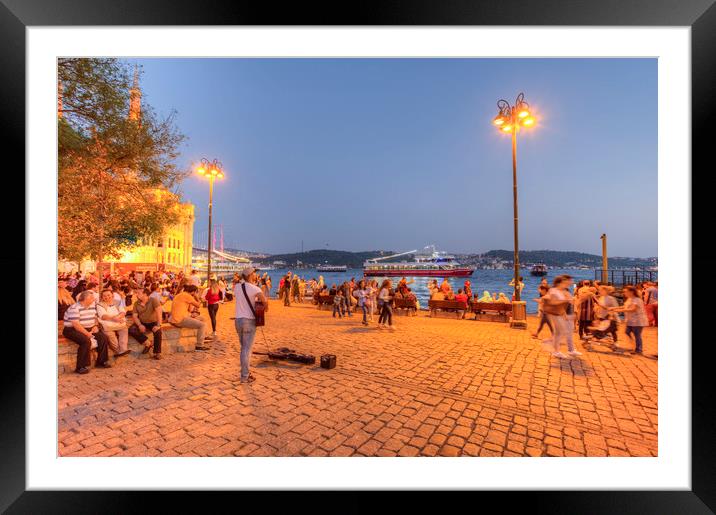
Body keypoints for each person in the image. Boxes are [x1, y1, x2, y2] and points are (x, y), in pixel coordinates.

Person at [233, 266, 269, 384]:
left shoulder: (237, 287)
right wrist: (265, 308)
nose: (255, 275)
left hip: (238, 320)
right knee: (246, 350)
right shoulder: (254, 288)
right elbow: (265, 302)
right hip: (249, 321)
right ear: (249, 275)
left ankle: (245, 372)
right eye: (254, 273)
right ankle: (245, 376)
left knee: (244, 348)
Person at [62, 290, 112, 374]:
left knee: (103, 337)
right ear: (85, 299)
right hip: (72, 330)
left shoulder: (92, 306)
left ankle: (101, 362)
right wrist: (87, 334)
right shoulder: (74, 308)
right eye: (91, 298)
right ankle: (81, 367)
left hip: (89, 328)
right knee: (85, 341)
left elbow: (95, 318)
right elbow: (76, 325)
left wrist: (95, 326)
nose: (93, 299)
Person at [542, 275, 581, 358]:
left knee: (560, 332)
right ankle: (553, 348)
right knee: (561, 332)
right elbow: (553, 303)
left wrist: (565, 314)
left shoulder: (562, 291)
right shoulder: (553, 290)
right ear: (560, 282)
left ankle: (556, 350)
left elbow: (562, 306)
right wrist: (565, 300)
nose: (568, 284)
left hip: (559, 314)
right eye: (566, 282)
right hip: (554, 314)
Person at [169, 284, 210, 351]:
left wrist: (192, 314)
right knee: (202, 325)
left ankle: (204, 336)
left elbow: (190, 310)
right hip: (180, 319)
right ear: (193, 292)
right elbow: (198, 305)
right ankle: (199, 346)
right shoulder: (187, 296)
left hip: (175, 318)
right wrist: (197, 297)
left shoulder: (181, 294)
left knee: (202, 318)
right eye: (196, 292)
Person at [610, 285, 648, 354]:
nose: (624, 293)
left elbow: (633, 309)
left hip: (638, 321)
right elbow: (625, 306)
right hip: (631, 320)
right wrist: (615, 308)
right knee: (627, 332)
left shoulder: (637, 300)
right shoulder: (630, 299)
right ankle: (634, 346)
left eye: (626, 292)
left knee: (637, 335)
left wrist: (618, 311)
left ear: (631, 292)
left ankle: (639, 350)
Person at [128, 288, 164, 358]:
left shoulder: (153, 300)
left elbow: (159, 313)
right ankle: (148, 343)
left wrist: (158, 325)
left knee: (158, 332)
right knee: (131, 330)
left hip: (153, 322)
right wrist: (140, 325)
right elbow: (135, 316)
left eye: (138, 293)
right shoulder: (136, 303)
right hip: (142, 322)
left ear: (145, 294)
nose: (136, 295)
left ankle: (157, 353)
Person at [97, 289, 130, 357]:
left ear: (112, 295)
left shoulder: (117, 302)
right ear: (102, 297)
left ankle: (123, 349)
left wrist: (119, 317)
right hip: (107, 323)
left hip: (118, 321)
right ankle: (118, 351)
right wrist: (114, 318)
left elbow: (123, 312)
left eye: (108, 295)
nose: (107, 297)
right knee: (110, 335)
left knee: (124, 330)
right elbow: (103, 316)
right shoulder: (100, 304)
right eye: (104, 296)